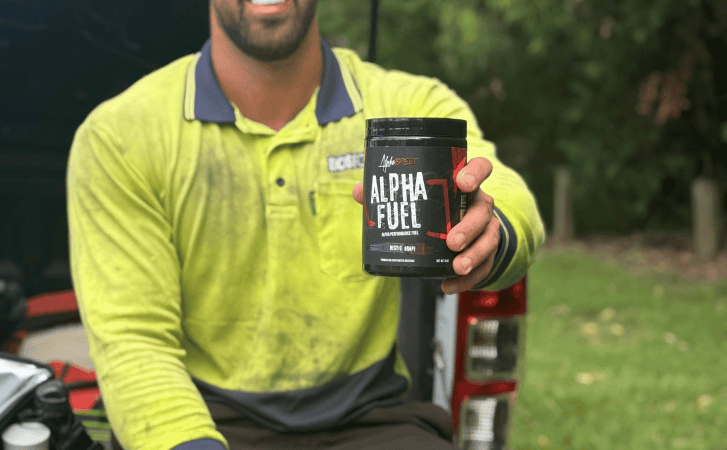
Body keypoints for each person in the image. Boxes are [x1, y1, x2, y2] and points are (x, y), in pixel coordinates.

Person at [66, 1, 545, 449]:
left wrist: (492, 232)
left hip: (369, 419)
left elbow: (503, 189)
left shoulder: (404, 102)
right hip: (199, 417)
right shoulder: (121, 136)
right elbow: (134, 342)